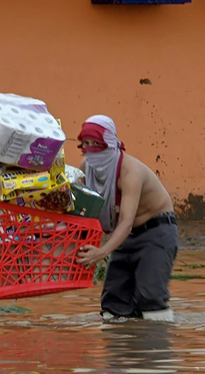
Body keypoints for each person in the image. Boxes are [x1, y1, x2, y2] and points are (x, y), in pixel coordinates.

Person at [75, 115, 178, 322]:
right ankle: (120, 351)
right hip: (124, 236)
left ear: (110, 143)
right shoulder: (86, 167)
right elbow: (80, 209)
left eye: (97, 143)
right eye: (86, 143)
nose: (91, 149)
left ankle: (158, 346)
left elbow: (126, 220)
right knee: (113, 301)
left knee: (150, 296)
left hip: (156, 231)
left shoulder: (130, 172)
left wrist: (102, 252)